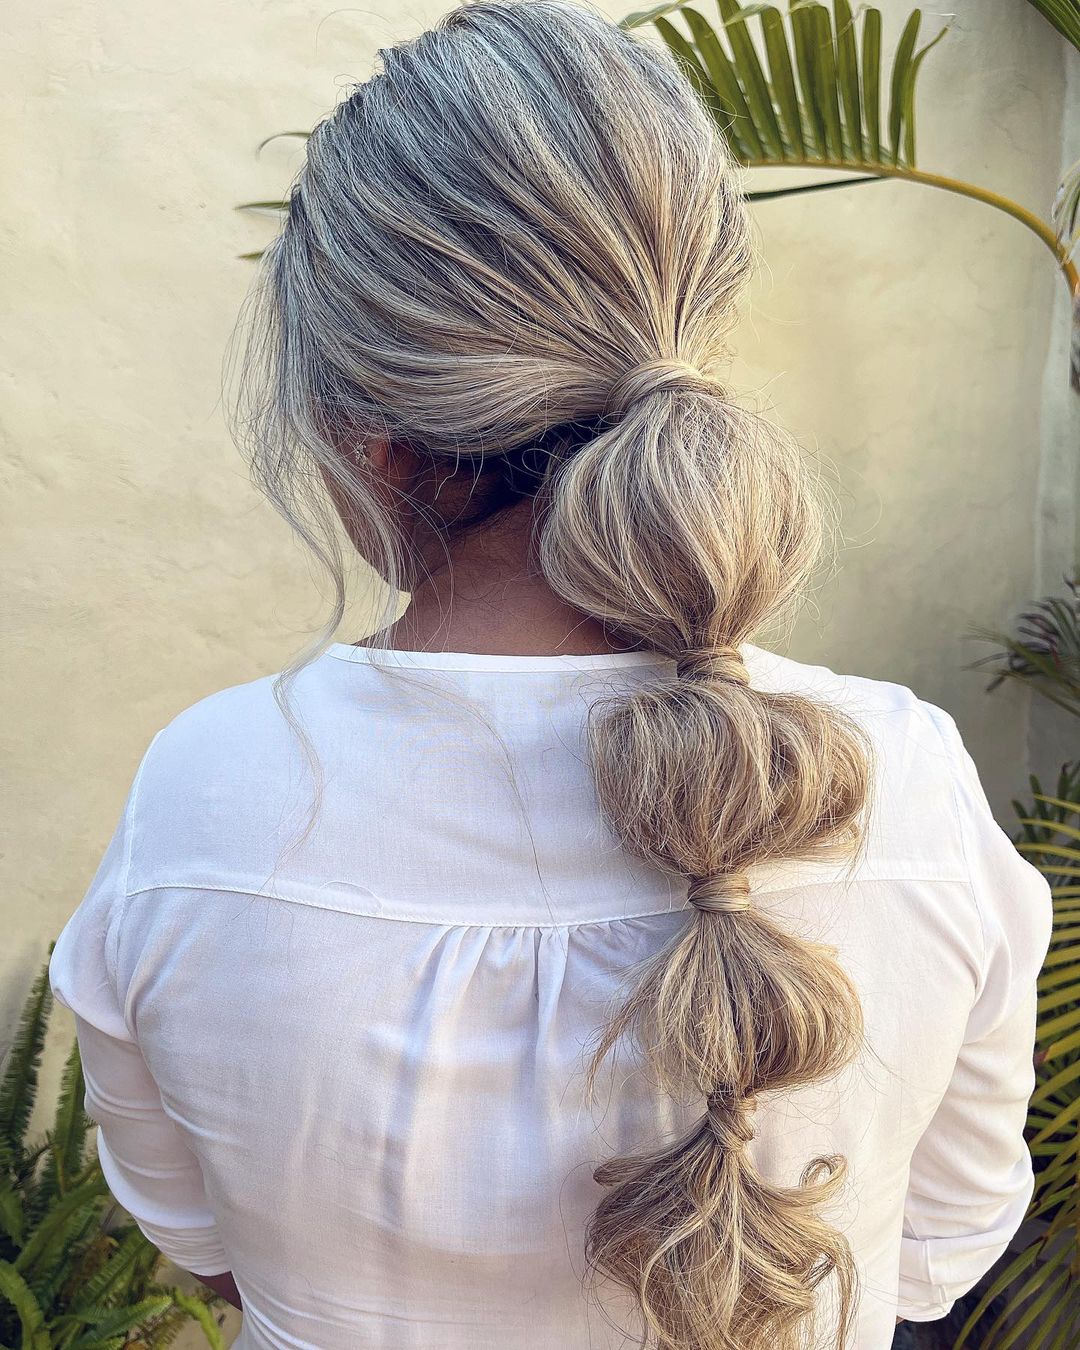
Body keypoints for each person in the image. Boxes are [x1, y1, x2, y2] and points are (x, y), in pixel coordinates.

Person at [48, 3, 1053, 1347]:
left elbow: (203, 1247)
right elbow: (935, 1252)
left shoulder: (206, 800)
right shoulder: (906, 782)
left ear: (372, 440)